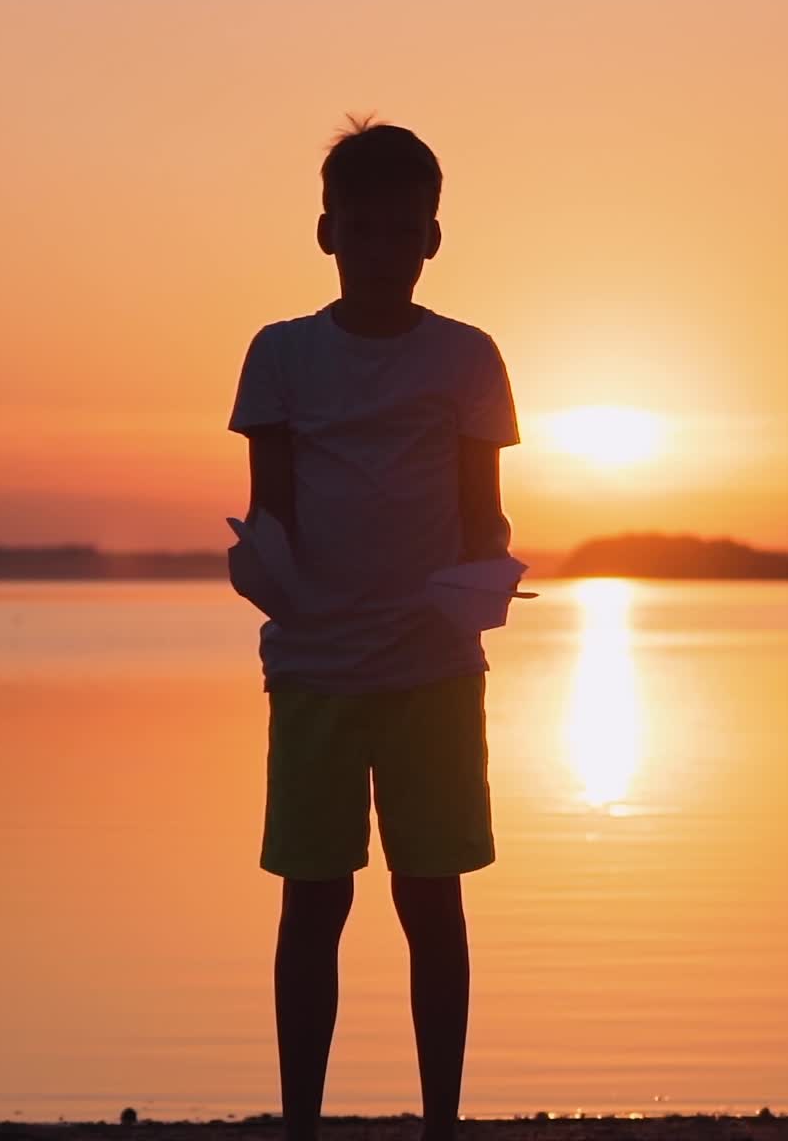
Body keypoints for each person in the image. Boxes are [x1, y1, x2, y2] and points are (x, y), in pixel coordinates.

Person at [227, 113, 523, 1141]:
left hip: (433, 669)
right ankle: (299, 1122)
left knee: (430, 899)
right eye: (364, 227)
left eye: (405, 229)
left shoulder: (468, 356)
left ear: (432, 238)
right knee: (312, 904)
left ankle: (440, 1122)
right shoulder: (279, 356)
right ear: (327, 232)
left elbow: (481, 508)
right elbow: (273, 511)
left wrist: (481, 578)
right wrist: (260, 573)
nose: (384, 248)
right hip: (312, 666)